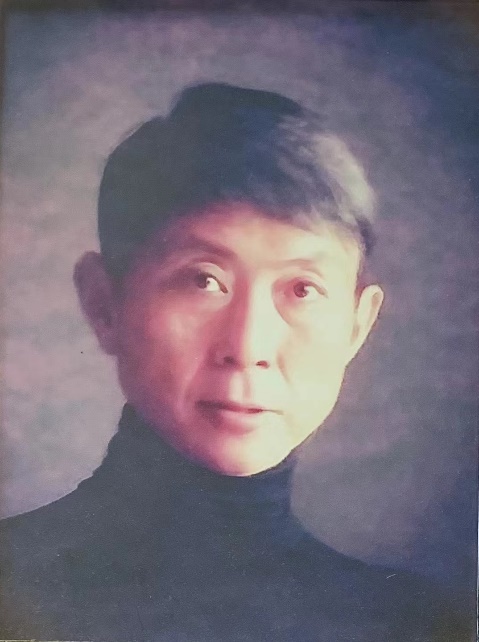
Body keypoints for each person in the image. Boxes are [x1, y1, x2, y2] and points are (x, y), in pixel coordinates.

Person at [0, 83, 471, 641]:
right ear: (105, 305)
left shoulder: (418, 625)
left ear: (356, 325)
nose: (248, 347)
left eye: (302, 289)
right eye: (204, 280)